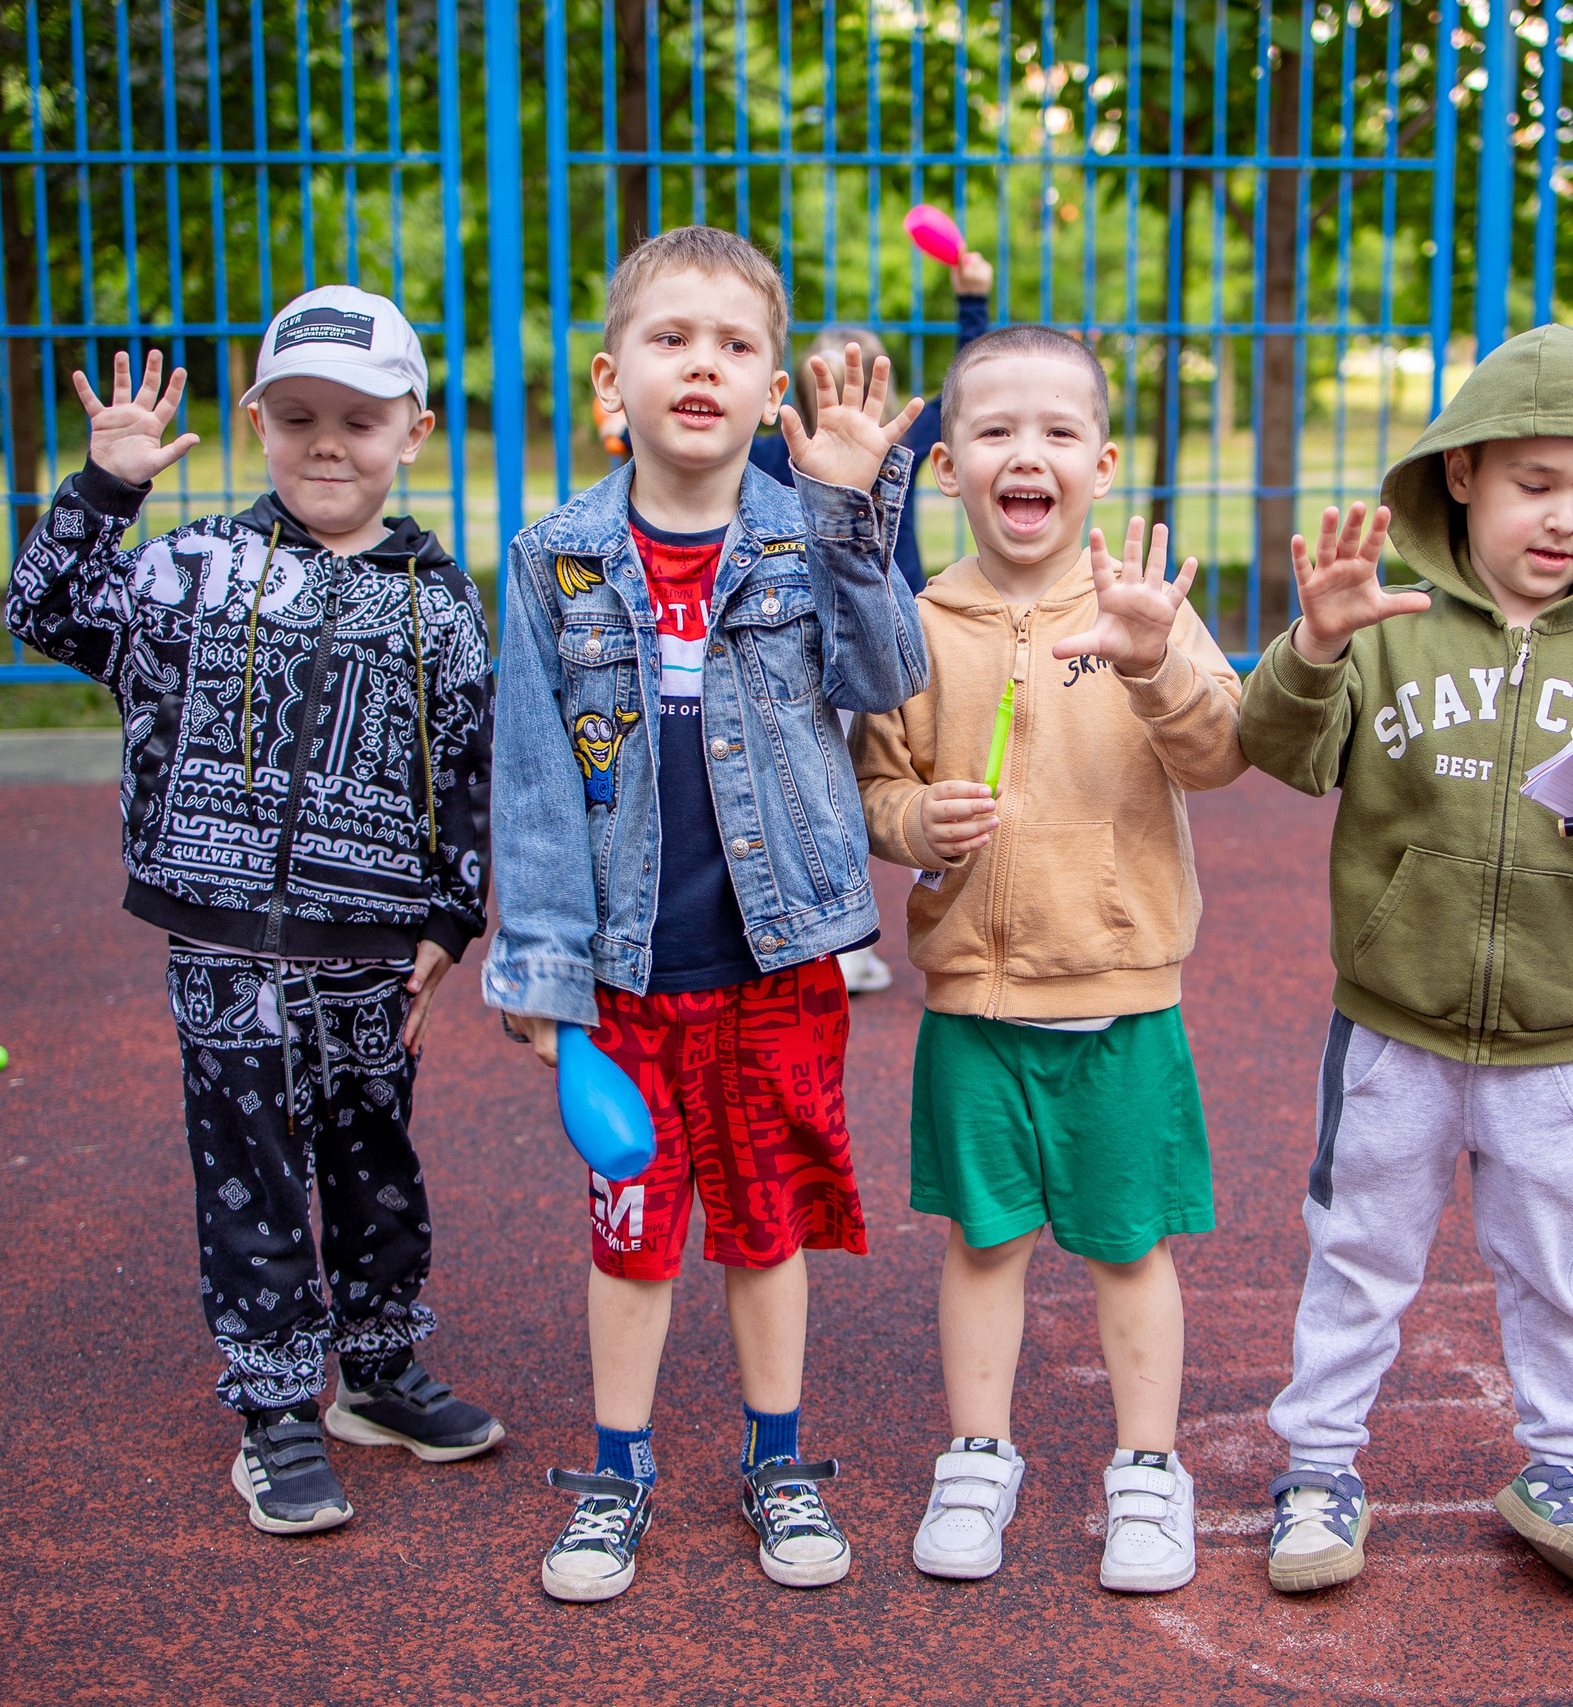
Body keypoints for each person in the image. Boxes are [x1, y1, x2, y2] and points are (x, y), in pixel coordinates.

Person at [1239, 323, 1573, 1599]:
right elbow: (1279, 750)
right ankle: (1318, 1468)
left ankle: (1569, 1467)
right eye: (1536, 484)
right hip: (1394, 1025)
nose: (1566, 519)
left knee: (1553, 1265)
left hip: (1553, 1041)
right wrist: (1311, 649)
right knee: (1359, 1249)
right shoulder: (1389, 626)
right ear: (1462, 474)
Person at [7, 286, 503, 1538]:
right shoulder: (187, 569)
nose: (327, 443)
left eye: (357, 418)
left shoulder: (439, 603)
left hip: (373, 945)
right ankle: (279, 1405)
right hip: (222, 942)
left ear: (415, 431)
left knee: (373, 1162)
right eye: (297, 418)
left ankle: (378, 1373)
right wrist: (105, 489)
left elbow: (469, 769)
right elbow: (46, 610)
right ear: (255, 423)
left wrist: (452, 922)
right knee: (251, 1170)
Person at [484, 225, 925, 1603]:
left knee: (767, 1216)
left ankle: (777, 1456)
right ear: (612, 380)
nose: (702, 365)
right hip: (626, 969)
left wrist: (856, 516)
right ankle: (618, 1470)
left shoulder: (808, 533)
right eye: (671, 339)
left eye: (733, 346)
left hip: (776, 959)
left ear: (768, 385)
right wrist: (546, 982)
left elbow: (890, 667)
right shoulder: (555, 557)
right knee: (632, 1227)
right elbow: (536, 781)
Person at [852, 325, 1248, 1593]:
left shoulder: (1145, 612)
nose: (1028, 452)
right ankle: (978, 1453)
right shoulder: (916, 627)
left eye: (1058, 431)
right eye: (995, 430)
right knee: (983, 1242)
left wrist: (1153, 668)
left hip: (1122, 1006)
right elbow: (877, 783)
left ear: (1104, 462)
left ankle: (1146, 1471)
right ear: (947, 464)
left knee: (1129, 1246)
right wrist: (916, 821)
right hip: (974, 1001)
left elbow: (1221, 751)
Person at [750, 247, 994, 996]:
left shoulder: (903, 444)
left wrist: (972, 301)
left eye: (862, 378)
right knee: (812, 783)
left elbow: (970, 389)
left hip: (883, 631)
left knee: (875, 781)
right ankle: (822, 931)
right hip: (794, 634)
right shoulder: (767, 451)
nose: (846, 400)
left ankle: (856, 932)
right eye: (831, 378)